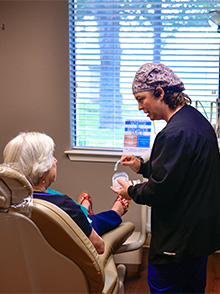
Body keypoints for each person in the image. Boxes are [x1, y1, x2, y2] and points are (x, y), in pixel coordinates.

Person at [111, 63, 220, 293]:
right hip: (199, 238)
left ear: (160, 92)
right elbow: (178, 171)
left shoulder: (172, 134)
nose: (140, 107)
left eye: (141, 99)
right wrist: (141, 167)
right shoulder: (196, 121)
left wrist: (129, 191)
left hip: (177, 242)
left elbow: (159, 190)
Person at [3, 132, 130, 255]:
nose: (56, 161)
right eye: (51, 157)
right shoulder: (63, 205)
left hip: (22, 267)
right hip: (67, 270)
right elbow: (100, 247)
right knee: (95, 221)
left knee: (81, 215)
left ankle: (84, 210)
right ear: (42, 168)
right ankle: (113, 211)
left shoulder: (6, 202)